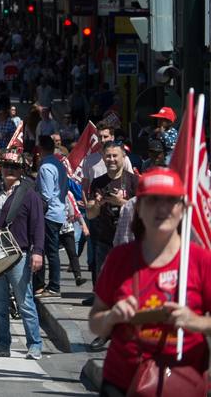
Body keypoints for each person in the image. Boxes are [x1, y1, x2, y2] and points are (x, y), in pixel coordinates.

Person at [89, 168, 211, 395]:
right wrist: (112, 316)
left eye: (171, 201)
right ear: (139, 208)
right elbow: (95, 321)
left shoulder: (201, 260)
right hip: (122, 381)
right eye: (153, 200)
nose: (162, 209)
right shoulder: (120, 258)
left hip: (182, 380)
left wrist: (194, 322)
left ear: (183, 208)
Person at [0, 150, 46, 360]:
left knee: (25, 302)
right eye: (6, 166)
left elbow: (38, 225)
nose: (9, 170)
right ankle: (1, 343)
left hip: (19, 255)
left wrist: (38, 252)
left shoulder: (29, 194)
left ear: (21, 170)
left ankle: (34, 344)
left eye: (14, 167)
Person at [88, 140, 139, 293]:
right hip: (104, 242)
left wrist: (121, 202)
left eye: (115, 156)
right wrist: (97, 204)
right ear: (103, 158)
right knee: (104, 289)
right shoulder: (98, 182)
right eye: (108, 156)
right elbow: (91, 215)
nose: (111, 159)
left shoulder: (134, 181)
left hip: (129, 243)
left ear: (123, 157)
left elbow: (144, 212)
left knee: (128, 287)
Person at [36, 133, 70, 299]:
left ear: (40, 149)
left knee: (49, 251)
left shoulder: (45, 167)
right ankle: (47, 284)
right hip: (59, 210)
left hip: (49, 213)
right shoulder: (58, 163)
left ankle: (54, 285)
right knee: (51, 250)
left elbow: (46, 194)